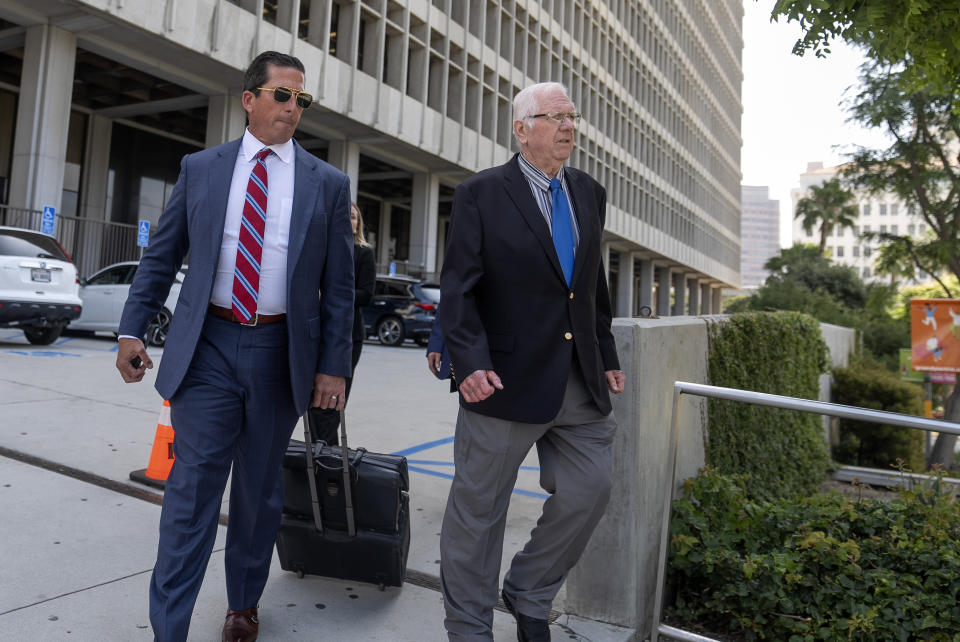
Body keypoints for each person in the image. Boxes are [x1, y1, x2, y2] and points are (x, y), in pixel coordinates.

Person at [115, 51, 354, 642]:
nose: (293, 108)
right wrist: (130, 329)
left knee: (259, 490)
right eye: (281, 95)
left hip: (281, 353)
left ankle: (243, 605)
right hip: (208, 346)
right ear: (249, 99)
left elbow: (342, 291)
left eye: (302, 99)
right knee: (191, 489)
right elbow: (162, 255)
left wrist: (333, 367)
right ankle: (168, 626)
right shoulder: (202, 168)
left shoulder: (327, 183)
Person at [437, 81, 625, 642]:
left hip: (578, 380)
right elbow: (459, 288)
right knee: (478, 515)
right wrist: (468, 363)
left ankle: (528, 590)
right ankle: (469, 628)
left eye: (572, 117)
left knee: (591, 490)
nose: (568, 126)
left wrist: (606, 351)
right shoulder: (482, 194)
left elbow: (592, 283)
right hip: (502, 381)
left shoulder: (589, 191)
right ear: (522, 129)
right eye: (554, 117)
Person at [309, 202, 377, 443]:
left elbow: (367, 294)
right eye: (345, 216)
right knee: (311, 405)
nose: (350, 221)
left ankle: (327, 469)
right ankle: (314, 462)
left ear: (359, 224)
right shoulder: (321, 248)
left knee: (328, 407)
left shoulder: (364, 252)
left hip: (348, 336)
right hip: (313, 333)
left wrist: (328, 294)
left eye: (354, 217)